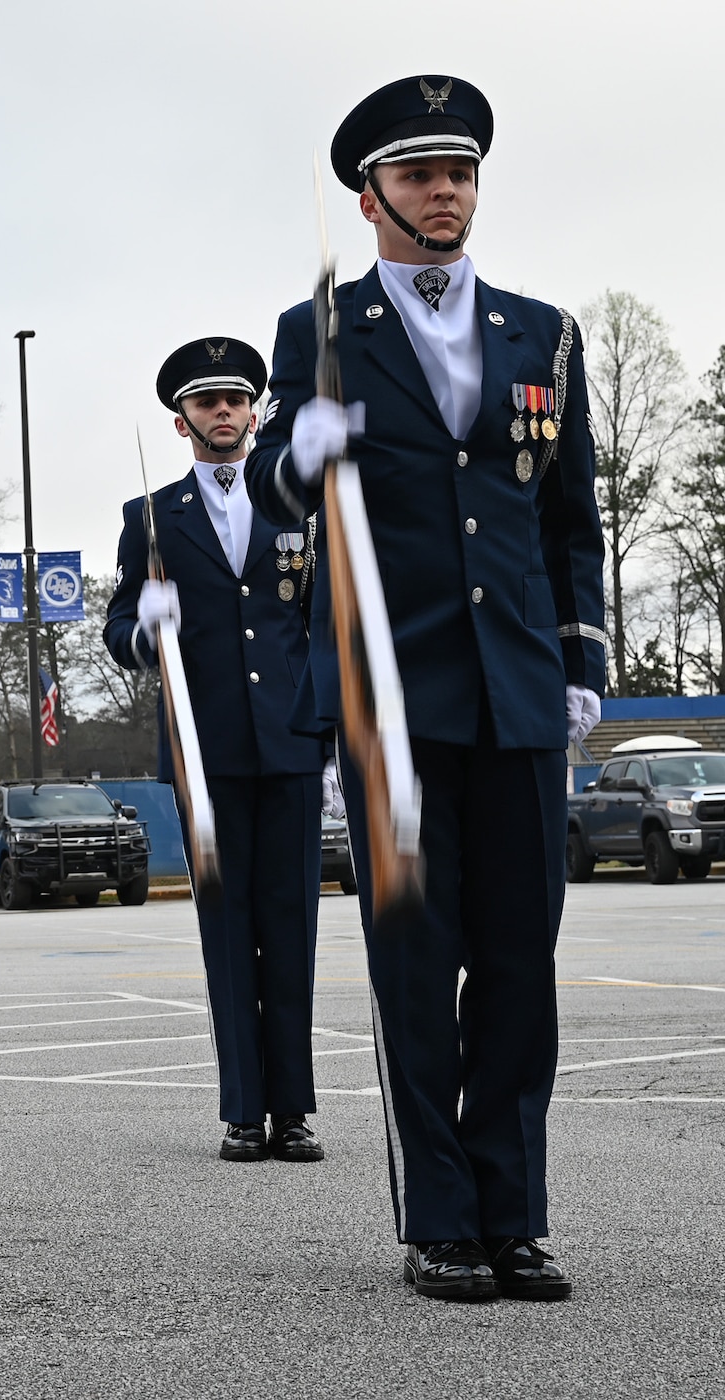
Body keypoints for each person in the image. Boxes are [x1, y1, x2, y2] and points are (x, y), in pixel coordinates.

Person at [247, 75, 605, 1301]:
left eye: (455, 172)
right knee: (417, 958)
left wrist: (580, 661)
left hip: (514, 690)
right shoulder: (323, 329)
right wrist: (296, 455)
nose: (442, 192)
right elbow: (282, 499)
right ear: (370, 198)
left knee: (520, 959)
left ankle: (513, 1211)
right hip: (388, 695)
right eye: (415, 175)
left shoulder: (540, 332)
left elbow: (570, 522)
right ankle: (441, 1218)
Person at [106, 337, 327, 1165]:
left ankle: (295, 1108)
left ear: (256, 412)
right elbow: (116, 629)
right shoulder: (152, 517)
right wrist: (144, 630)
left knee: (293, 927)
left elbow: (322, 623)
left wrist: (333, 736)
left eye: (236, 399)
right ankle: (243, 1108)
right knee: (228, 930)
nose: (223, 413)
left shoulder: (299, 507)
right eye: (207, 402)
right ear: (182, 421)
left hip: (294, 746)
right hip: (205, 753)